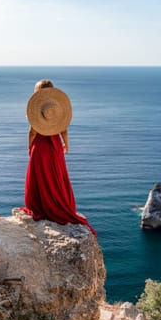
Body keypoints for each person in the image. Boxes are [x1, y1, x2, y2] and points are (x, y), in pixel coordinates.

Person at [20, 79, 97, 238]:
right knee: (57, 177)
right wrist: (66, 145)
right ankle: (60, 205)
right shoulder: (57, 109)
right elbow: (64, 130)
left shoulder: (37, 110)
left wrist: (29, 147)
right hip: (55, 148)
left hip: (40, 148)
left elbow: (32, 132)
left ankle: (41, 207)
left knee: (40, 177)